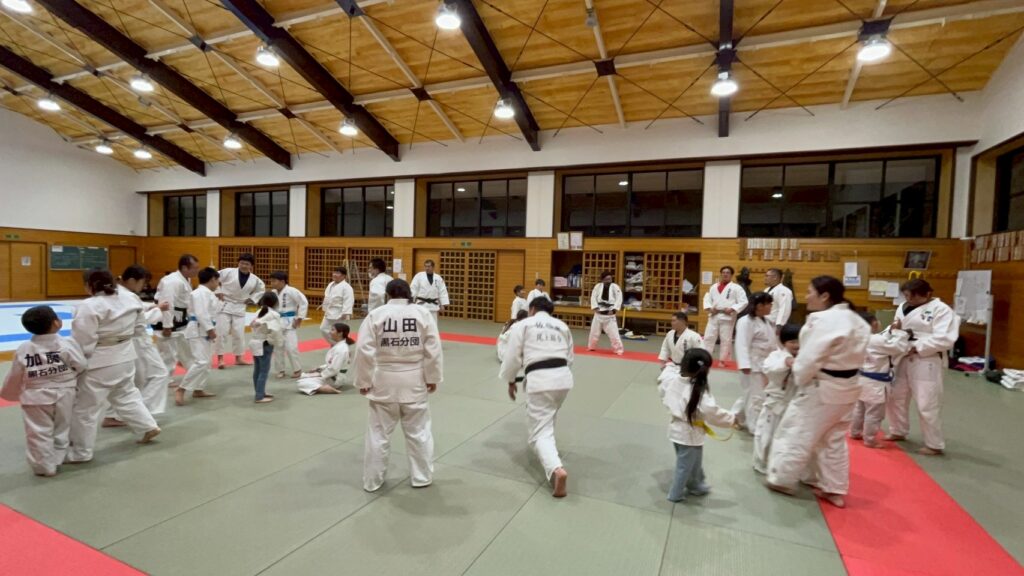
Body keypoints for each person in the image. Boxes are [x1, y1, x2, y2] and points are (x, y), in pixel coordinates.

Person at [766, 276, 870, 508]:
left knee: (796, 431)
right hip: (849, 387)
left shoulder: (822, 320)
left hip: (822, 388)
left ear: (824, 296)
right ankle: (834, 488)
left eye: (810, 292)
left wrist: (799, 376)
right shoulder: (857, 320)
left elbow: (809, 358)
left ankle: (782, 479)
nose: (806, 297)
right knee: (833, 439)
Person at [353, 279, 442, 492]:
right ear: (409, 293)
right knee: (419, 432)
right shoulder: (422, 314)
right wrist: (432, 377)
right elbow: (433, 349)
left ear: (388, 294)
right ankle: (422, 477)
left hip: (383, 380)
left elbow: (363, 350)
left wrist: (363, 380)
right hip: (414, 379)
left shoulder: (376, 315)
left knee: (378, 434)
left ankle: (372, 480)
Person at [68, 270, 161, 463]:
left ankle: (81, 453)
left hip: (99, 361)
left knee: (85, 408)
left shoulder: (89, 306)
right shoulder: (131, 299)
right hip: (126, 355)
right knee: (126, 394)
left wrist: (77, 363)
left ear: (89, 285)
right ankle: (147, 426)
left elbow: (83, 340)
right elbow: (139, 328)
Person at [499, 296, 574, 498]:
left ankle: (556, 469)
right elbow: (570, 358)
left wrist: (510, 380)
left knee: (538, 433)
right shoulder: (562, 326)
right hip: (563, 379)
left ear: (531, 309)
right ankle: (551, 451)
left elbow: (512, 356)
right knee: (548, 417)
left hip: (540, 380)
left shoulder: (524, 324)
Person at [1, 306, 86, 477]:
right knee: (62, 427)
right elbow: (81, 364)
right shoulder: (67, 344)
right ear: (57, 323)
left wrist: (9, 393)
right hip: (65, 393)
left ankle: (44, 466)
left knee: (38, 431)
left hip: (35, 396)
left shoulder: (24, 348)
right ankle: (58, 457)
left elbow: (15, 375)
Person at [885, 279, 960, 455]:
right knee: (895, 396)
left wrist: (916, 346)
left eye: (914, 297)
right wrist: (894, 333)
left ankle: (934, 444)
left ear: (927, 294)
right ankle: (898, 430)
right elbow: (897, 328)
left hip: (926, 360)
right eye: (906, 296)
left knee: (927, 402)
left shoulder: (942, 310)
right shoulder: (902, 306)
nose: (909, 299)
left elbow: (945, 339)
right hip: (902, 357)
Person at [658, 348, 735, 503]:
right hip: (689, 435)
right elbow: (712, 412)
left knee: (693, 462)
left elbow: (663, 383)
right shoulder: (697, 392)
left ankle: (696, 485)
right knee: (684, 466)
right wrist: (732, 419)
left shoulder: (672, 380)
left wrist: (670, 366)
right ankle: (675, 494)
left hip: (676, 430)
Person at [852, 313, 912, 449]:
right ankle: (870, 439)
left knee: (859, 408)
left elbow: (884, 343)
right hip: (875, 382)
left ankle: (855, 432)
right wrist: (899, 332)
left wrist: (891, 331)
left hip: (860, 379)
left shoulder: (857, 338)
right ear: (874, 324)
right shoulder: (875, 340)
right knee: (874, 413)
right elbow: (897, 348)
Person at [120, 265, 170, 417]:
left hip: (127, 342)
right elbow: (139, 321)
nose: (143, 286)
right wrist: (158, 310)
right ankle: (141, 412)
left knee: (133, 380)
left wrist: (152, 306)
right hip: (137, 340)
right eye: (142, 282)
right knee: (160, 373)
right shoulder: (128, 296)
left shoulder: (120, 293)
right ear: (132, 280)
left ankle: (114, 415)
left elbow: (137, 309)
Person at [752, 324, 801, 475]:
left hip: (794, 404)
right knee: (766, 434)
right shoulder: (776, 356)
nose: (797, 345)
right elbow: (769, 370)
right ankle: (761, 462)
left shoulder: (804, 358)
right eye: (792, 341)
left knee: (788, 437)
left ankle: (781, 466)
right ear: (784, 342)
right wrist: (786, 363)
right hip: (775, 402)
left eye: (799, 341)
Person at [176, 267, 220, 406]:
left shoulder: (207, 293)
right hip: (198, 330)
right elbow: (201, 313)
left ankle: (198, 389)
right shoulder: (200, 293)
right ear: (212, 279)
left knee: (206, 362)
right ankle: (181, 389)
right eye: (217, 281)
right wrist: (210, 329)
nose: (218, 284)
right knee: (201, 361)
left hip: (204, 329)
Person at [733, 291, 776, 431]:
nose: (771, 306)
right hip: (752, 365)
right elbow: (741, 344)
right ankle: (756, 428)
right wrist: (744, 365)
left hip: (765, 363)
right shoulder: (745, 321)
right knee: (756, 397)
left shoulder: (767, 321)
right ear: (759, 305)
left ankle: (735, 416)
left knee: (751, 394)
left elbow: (772, 344)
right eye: (769, 304)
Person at [215, 253, 265, 369]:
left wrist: (252, 299)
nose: (243, 266)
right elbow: (213, 277)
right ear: (238, 263)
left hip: (240, 306)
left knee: (239, 334)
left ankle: (239, 358)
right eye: (241, 263)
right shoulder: (228, 272)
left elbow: (260, 290)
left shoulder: (255, 279)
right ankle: (220, 359)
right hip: (225, 304)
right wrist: (218, 291)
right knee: (222, 332)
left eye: (247, 264)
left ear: (251, 266)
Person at [154, 254, 199, 381]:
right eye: (195, 268)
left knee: (185, 349)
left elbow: (185, 302)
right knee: (168, 353)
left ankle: (192, 374)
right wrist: (167, 325)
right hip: (168, 320)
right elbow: (167, 303)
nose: (197, 271)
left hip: (180, 320)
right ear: (184, 268)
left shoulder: (185, 279)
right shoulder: (172, 281)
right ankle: (164, 380)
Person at [702, 266, 748, 366]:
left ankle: (723, 361)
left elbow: (744, 301)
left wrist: (732, 308)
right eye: (723, 272)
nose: (725, 274)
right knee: (708, 337)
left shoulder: (736, 288)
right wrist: (710, 308)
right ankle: (705, 358)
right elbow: (707, 299)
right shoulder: (714, 287)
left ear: (731, 275)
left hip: (727, 317)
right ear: (721, 274)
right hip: (714, 315)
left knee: (726, 339)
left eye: (727, 273)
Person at [269, 271, 308, 379]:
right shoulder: (272, 292)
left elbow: (303, 302)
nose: (272, 283)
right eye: (271, 281)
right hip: (276, 321)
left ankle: (297, 369)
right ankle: (280, 370)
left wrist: (300, 318)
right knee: (278, 347)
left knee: (291, 347)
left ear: (282, 281)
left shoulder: (292, 291)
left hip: (290, 321)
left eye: (274, 281)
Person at [297, 323, 354, 396]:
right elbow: (332, 364)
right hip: (332, 375)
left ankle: (324, 388)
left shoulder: (342, 349)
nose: (330, 332)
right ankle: (321, 385)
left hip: (334, 378)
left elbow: (334, 369)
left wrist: (319, 374)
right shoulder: (339, 346)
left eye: (332, 330)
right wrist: (318, 368)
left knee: (301, 383)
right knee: (303, 376)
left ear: (340, 333)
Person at [249, 292, 285, 404]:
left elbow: (252, 325)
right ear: (275, 302)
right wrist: (276, 342)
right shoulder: (273, 314)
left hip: (255, 342)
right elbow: (276, 332)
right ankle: (259, 396)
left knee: (257, 369)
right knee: (264, 371)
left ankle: (260, 392)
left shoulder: (258, 312)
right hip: (264, 344)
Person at [657, 312, 703, 381]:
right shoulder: (670, 333)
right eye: (671, 320)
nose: (671, 323)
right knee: (662, 380)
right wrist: (662, 363)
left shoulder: (694, 336)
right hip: (673, 365)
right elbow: (665, 348)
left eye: (674, 320)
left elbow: (701, 353)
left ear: (683, 322)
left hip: (688, 367)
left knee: (681, 382)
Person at [588, 270, 624, 355]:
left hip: (609, 314)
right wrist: (595, 307)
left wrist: (614, 310)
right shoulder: (597, 286)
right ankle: (591, 347)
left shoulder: (615, 287)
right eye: (607, 279)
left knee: (614, 334)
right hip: (598, 313)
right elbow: (593, 297)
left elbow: (619, 298)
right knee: (594, 332)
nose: (609, 281)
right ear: (602, 280)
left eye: (610, 279)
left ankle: (618, 349)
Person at [320, 267, 353, 344]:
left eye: (337, 273)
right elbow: (327, 297)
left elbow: (349, 301)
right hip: (329, 312)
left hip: (340, 314)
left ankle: (341, 345)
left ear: (344, 276)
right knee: (323, 329)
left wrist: (345, 313)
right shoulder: (330, 284)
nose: (334, 274)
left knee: (339, 333)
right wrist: (325, 308)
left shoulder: (347, 287)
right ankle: (335, 344)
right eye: (334, 272)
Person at [410, 259, 449, 325]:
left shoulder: (438, 278)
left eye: (429, 266)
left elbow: (442, 291)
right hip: (421, 305)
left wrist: (442, 304)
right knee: (421, 324)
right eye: (425, 266)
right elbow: (413, 288)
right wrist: (411, 301)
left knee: (433, 324)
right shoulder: (419, 276)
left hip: (433, 306)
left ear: (433, 267)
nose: (427, 268)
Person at [765, 268, 794, 333]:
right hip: (765, 323)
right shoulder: (766, 290)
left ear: (775, 277)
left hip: (774, 324)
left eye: (767, 276)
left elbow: (784, 308)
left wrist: (780, 325)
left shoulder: (784, 291)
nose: (765, 278)